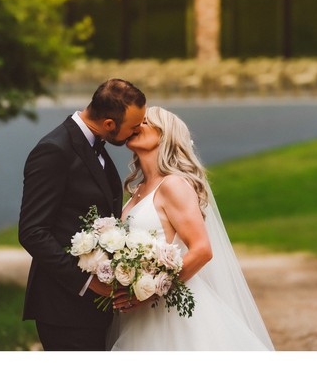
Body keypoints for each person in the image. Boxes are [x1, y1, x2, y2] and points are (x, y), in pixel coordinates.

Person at [108, 106, 275, 350]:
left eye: (144, 122)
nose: (135, 126)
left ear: (165, 135)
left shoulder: (173, 185)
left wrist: (152, 291)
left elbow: (202, 249)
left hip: (170, 310)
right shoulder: (139, 190)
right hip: (138, 312)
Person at [19, 78, 147, 351]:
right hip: (64, 309)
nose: (136, 133)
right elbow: (32, 232)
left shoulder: (95, 145)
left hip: (93, 311)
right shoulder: (54, 150)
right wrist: (88, 282)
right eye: (133, 127)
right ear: (109, 124)